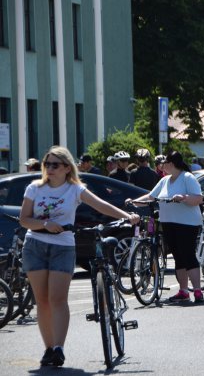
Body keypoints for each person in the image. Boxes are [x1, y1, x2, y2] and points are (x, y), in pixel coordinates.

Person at [19, 146, 140, 367]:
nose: (49, 168)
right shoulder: (34, 188)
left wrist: (127, 215)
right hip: (35, 245)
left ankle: (58, 348)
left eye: (55, 164)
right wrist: (45, 224)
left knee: (57, 298)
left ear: (67, 168)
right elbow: (24, 220)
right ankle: (48, 348)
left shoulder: (75, 189)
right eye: (47, 164)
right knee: (42, 301)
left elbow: (101, 205)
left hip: (63, 247)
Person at [127, 151, 204, 303]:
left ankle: (197, 291)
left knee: (188, 255)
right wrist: (134, 202)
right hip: (169, 222)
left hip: (187, 223)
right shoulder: (165, 180)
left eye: (164, 163)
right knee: (178, 257)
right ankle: (183, 291)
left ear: (172, 164)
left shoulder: (187, 177)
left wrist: (184, 198)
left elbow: (198, 198)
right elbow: (151, 196)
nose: (162, 166)